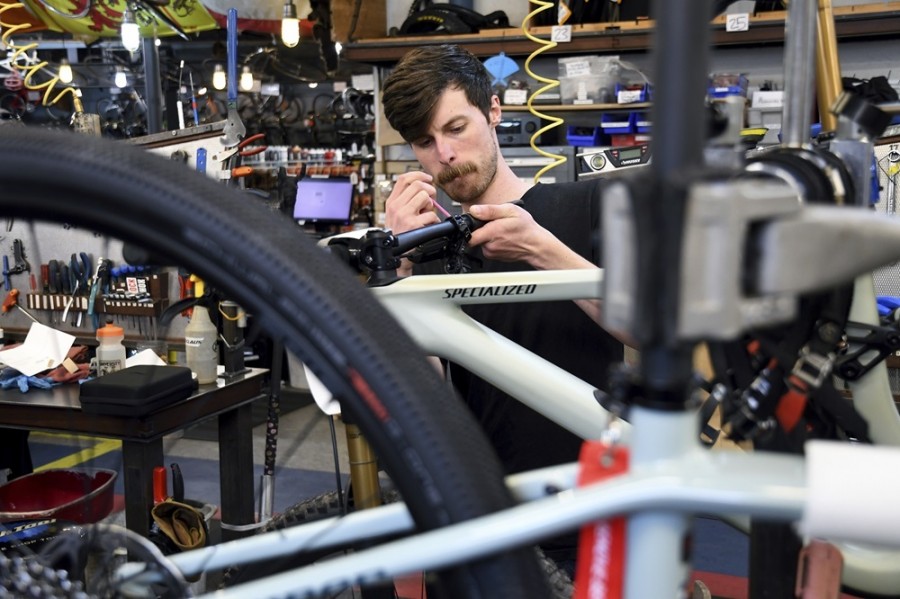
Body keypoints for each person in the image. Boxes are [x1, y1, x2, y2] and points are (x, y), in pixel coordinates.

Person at [381, 44, 626, 572]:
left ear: (494, 111)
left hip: (588, 505)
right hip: (484, 509)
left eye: (455, 128)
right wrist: (398, 267)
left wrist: (542, 249)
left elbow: (645, 333)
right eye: (424, 142)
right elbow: (423, 393)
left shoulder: (583, 208)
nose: (444, 154)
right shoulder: (431, 251)